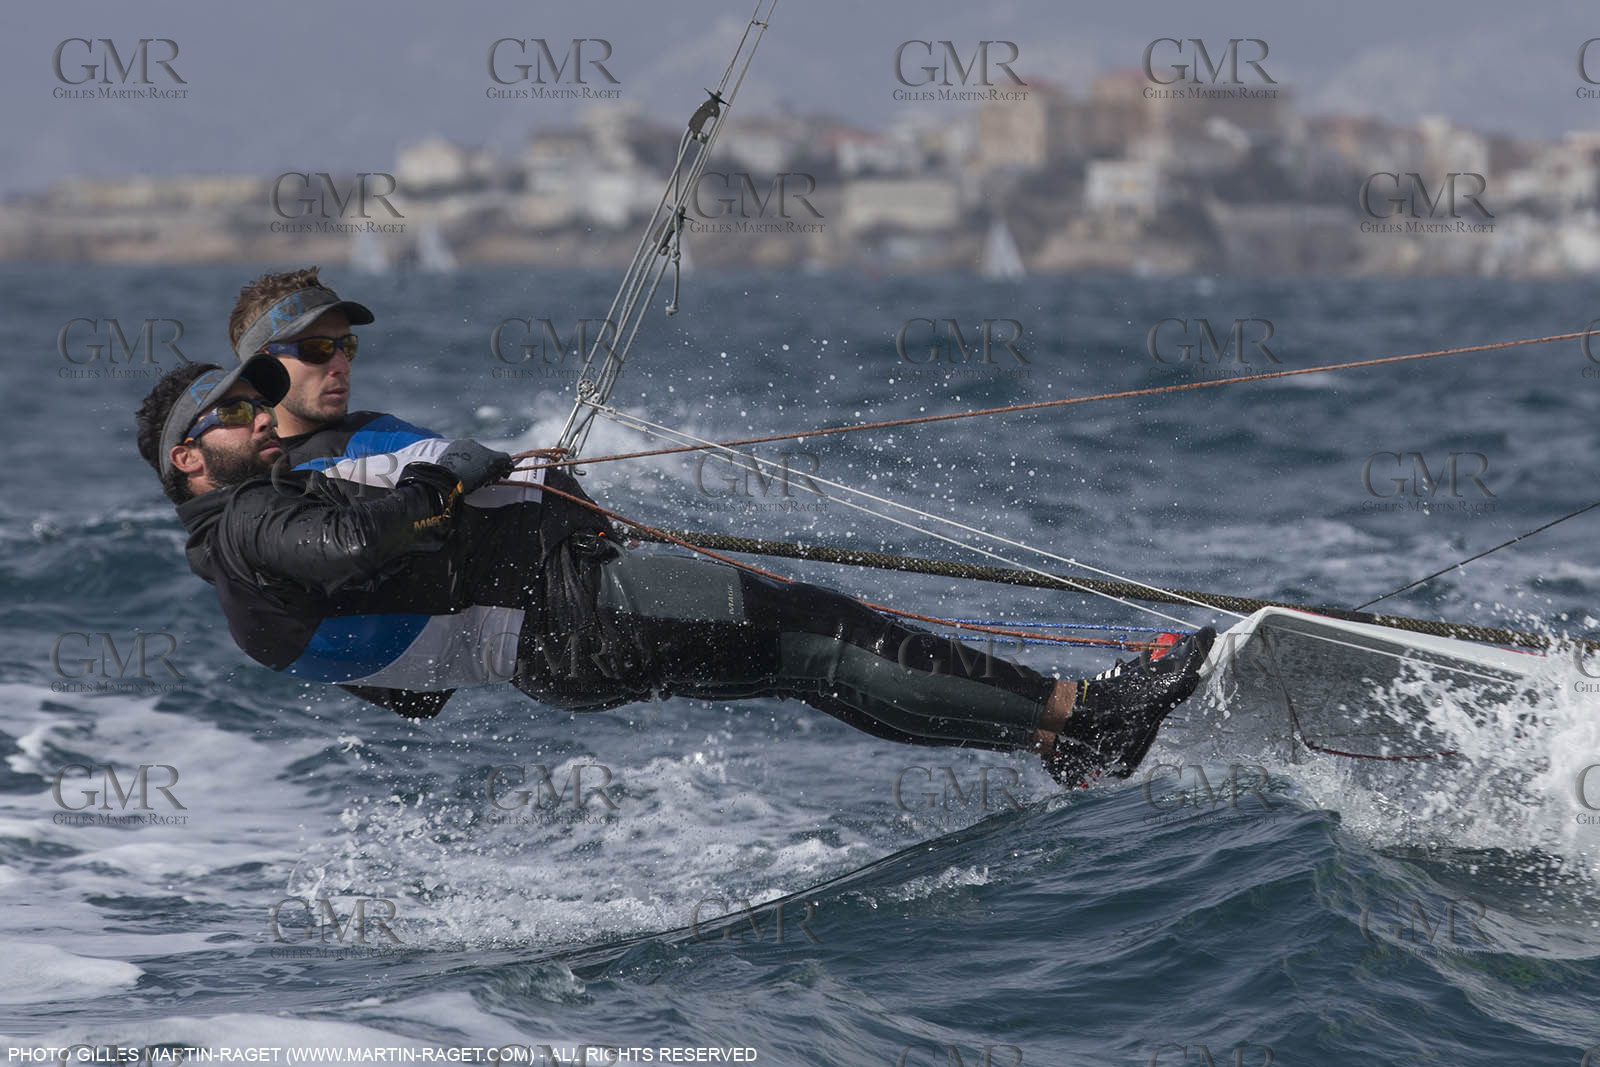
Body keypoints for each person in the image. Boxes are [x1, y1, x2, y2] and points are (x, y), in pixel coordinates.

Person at [134, 359, 1215, 787]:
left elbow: (407, 683)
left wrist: (495, 503)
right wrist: (454, 483)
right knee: (824, 631)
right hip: (585, 611)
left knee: (811, 666)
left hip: (557, 650)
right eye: (230, 411)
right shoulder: (243, 524)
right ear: (190, 458)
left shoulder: (245, 557)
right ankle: (1085, 715)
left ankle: (1054, 738)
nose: (256, 413)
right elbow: (363, 545)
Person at [225, 267, 439, 471]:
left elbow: (462, 458)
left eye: (347, 347)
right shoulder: (225, 466)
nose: (342, 366)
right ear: (263, 366)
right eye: (316, 349)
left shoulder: (380, 440)